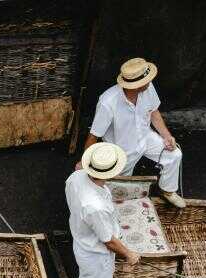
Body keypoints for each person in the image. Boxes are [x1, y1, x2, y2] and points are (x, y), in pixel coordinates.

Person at [66, 143, 141, 278]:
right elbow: (108, 240)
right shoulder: (95, 206)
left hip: (83, 242)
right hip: (96, 254)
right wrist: (129, 254)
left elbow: (78, 166)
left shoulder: (76, 177)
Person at [76, 58, 185, 208]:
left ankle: (167, 191)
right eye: (146, 80)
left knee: (174, 154)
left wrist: (166, 136)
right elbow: (93, 136)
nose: (150, 81)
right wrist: (85, 162)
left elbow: (154, 112)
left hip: (145, 138)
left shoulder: (148, 87)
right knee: (120, 193)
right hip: (122, 151)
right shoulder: (108, 102)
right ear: (136, 85)